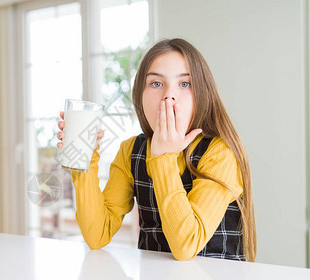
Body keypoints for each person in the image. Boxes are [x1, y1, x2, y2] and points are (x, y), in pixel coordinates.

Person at [56, 38, 256, 262]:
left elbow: (186, 245)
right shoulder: (131, 151)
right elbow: (97, 235)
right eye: (156, 84)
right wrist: (84, 160)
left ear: (202, 95)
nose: (169, 96)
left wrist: (163, 157)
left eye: (185, 84)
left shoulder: (220, 153)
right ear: (140, 96)